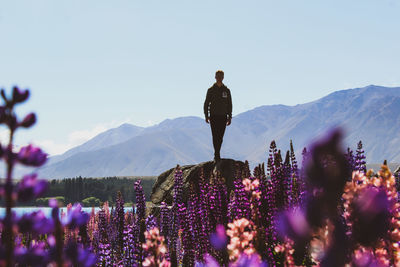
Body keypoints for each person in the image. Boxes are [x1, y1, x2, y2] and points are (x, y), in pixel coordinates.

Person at [203, 70, 232, 162]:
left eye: (221, 76)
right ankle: (217, 154)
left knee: (220, 136)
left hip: (223, 116)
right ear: (215, 77)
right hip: (214, 116)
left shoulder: (226, 91)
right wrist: (206, 115)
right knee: (215, 135)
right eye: (217, 76)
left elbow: (229, 104)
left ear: (223, 77)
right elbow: (206, 103)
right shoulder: (211, 90)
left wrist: (229, 116)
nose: (219, 78)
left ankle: (217, 152)